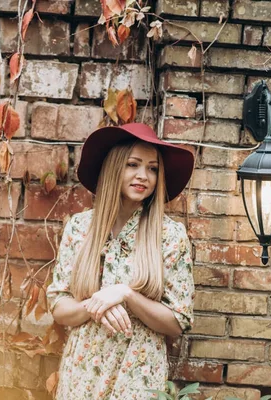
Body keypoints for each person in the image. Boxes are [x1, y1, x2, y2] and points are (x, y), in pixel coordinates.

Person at [46, 123, 195, 399]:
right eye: (133, 164)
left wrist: (126, 295)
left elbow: (178, 321)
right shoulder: (80, 228)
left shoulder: (169, 235)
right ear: (115, 167)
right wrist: (98, 305)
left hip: (138, 374)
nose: (143, 176)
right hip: (82, 373)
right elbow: (58, 305)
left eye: (152, 168)